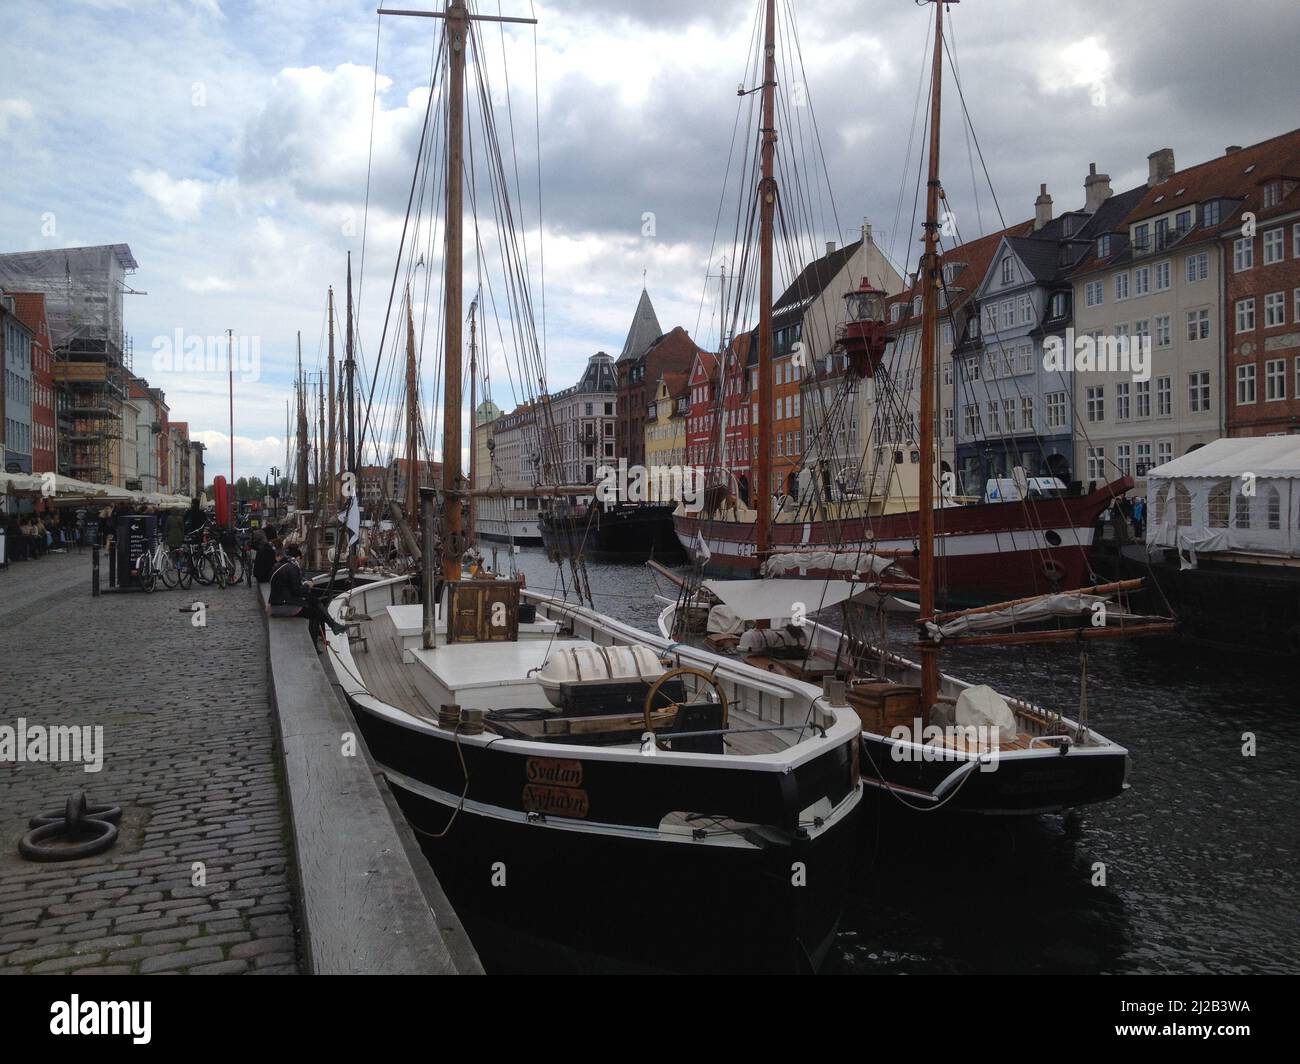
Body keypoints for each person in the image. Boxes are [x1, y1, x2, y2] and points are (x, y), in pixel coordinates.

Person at [268, 545, 346, 648]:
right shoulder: (292, 568)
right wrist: (307, 585)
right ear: (296, 558)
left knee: (314, 601)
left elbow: (287, 587)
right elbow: (298, 591)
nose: (300, 562)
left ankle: (333, 626)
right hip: (283, 606)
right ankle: (315, 644)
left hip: (277, 603)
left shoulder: (279, 565)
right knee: (315, 613)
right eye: (299, 559)